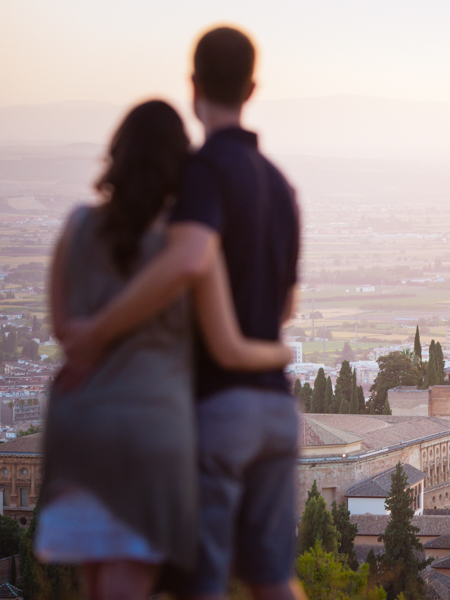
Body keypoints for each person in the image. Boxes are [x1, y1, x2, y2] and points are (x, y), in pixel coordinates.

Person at [61, 27, 305, 600]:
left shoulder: (203, 171)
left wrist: (98, 329)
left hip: (220, 409)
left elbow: (190, 257)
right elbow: (285, 305)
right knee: (273, 578)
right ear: (252, 87)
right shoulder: (280, 184)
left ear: (194, 84)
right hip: (277, 408)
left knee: (205, 583)